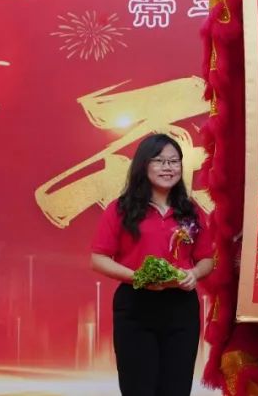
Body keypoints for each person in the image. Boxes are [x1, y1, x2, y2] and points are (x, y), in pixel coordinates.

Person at [90, 133, 215, 396]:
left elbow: (207, 259)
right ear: (143, 165)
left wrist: (194, 274)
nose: (168, 168)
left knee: (176, 388)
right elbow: (98, 259)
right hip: (136, 305)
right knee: (139, 388)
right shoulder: (121, 209)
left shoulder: (191, 211)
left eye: (174, 161)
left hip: (181, 307)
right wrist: (138, 277)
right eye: (159, 161)